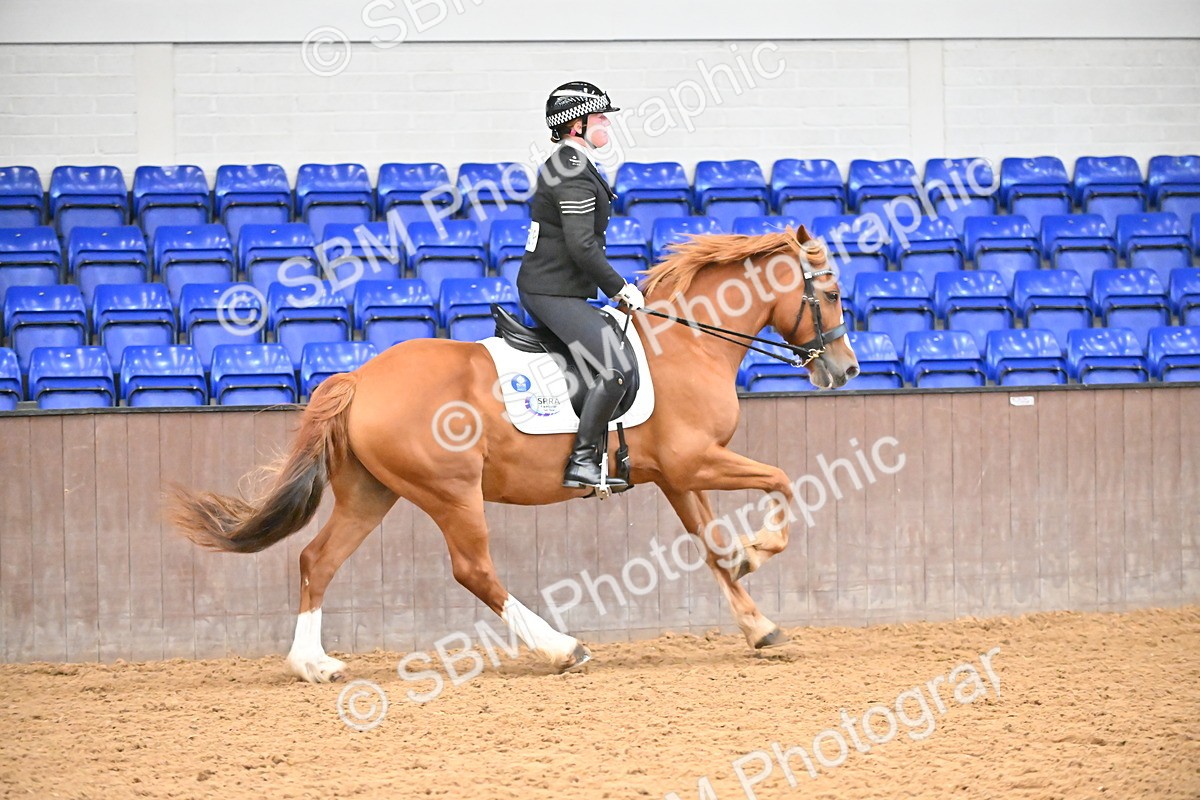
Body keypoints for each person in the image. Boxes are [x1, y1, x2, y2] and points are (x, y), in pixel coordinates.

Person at [517, 81, 645, 491]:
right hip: (550, 290)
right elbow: (581, 244)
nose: (607, 123)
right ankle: (584, 461)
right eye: (601, 117)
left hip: (563, 287)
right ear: (576, 125)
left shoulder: (576, 162)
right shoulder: (570, 168)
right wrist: (620, 287)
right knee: (616, 366)